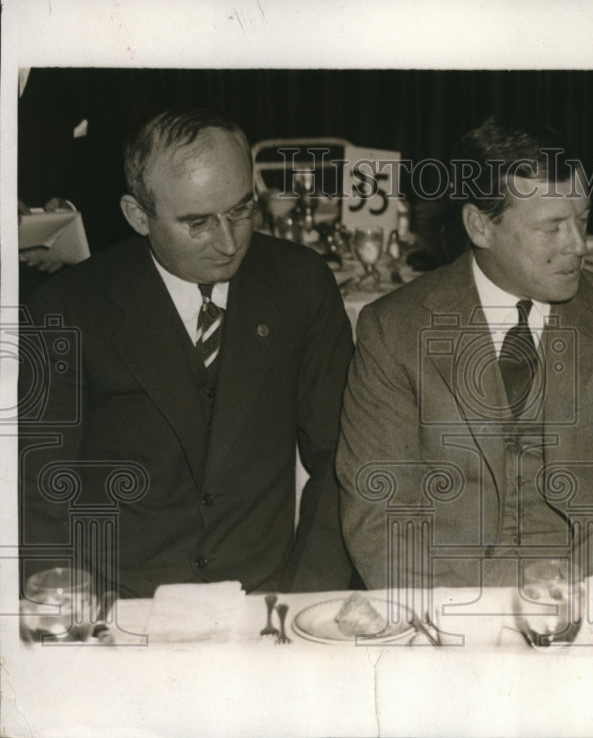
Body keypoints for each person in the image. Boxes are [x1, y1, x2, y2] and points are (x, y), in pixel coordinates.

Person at [19, 108, 356, 597]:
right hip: (120, 600)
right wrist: (75, 615)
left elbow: (339, 459)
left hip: (265, 592)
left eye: (241, 210)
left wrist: (304, 597)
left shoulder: (300, 283)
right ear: (138, 216)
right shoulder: (67, 308)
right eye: (197, 223)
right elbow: (38, 489)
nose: (228, 242)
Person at [338, 117, 593, 590]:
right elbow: (380, 519)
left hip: (590, 607)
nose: (578, 245)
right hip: (450, 614)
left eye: (582, 219)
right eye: (552, 227)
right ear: (480, 226)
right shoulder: (392, 330)